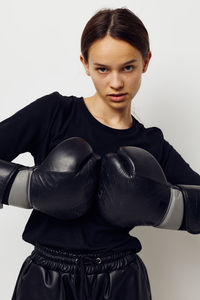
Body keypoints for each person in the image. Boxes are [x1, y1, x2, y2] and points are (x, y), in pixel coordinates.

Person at [0, 7, 200, 300]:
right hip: (46, 278)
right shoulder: (55, 114)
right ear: (85, 63)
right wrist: (30, 188)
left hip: (121, 280)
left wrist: (164, 206)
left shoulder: (151, 143)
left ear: (146, 61)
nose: (116, 83)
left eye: (128, 67)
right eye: (103, 69)